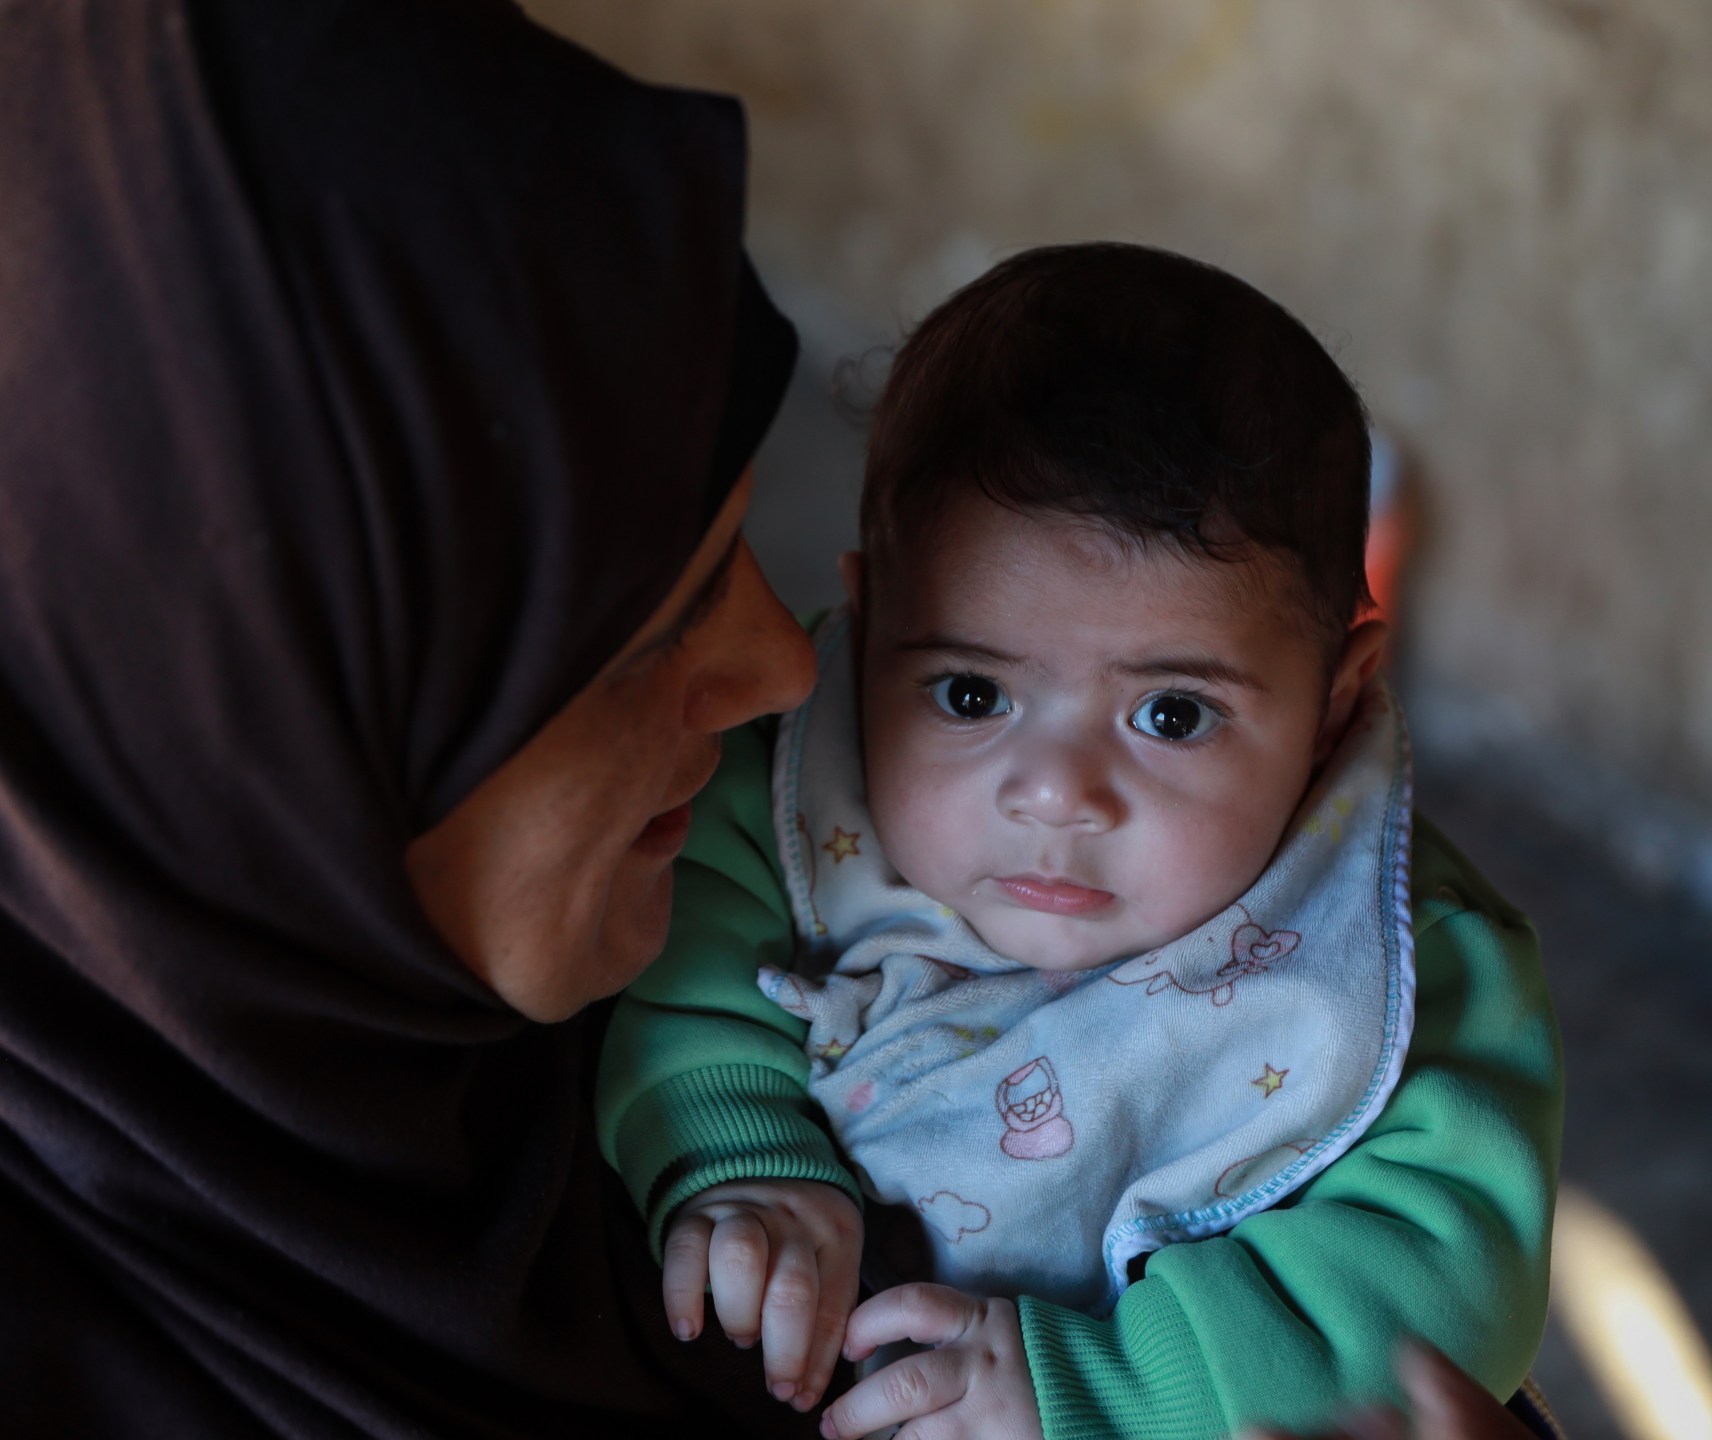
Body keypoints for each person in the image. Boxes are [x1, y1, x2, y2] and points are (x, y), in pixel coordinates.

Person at [0, 0, 827, 1434]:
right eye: (643, 641)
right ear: (220, 767)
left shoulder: (710, 1025)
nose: (787, 667)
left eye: (738, 553)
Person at [596, 245, 1564, 1437]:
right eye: (970, 695)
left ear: (1338, 700)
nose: (1056, 795)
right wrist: (740, 1148)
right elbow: (682, 961)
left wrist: (1109, 1386)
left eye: (1172, 714)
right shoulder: (789, 779)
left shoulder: (1405, 965)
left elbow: (1441, 1286)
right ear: (868, 614)